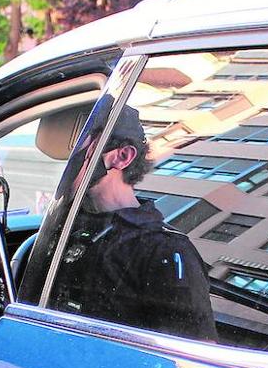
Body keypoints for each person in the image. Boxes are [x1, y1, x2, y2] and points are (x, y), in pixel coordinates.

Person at [52, 105, 218, 342]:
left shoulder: (165, 251)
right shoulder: (65, 225)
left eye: (76, 150)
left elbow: (191, 358)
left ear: (122, 156)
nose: (64, 164)